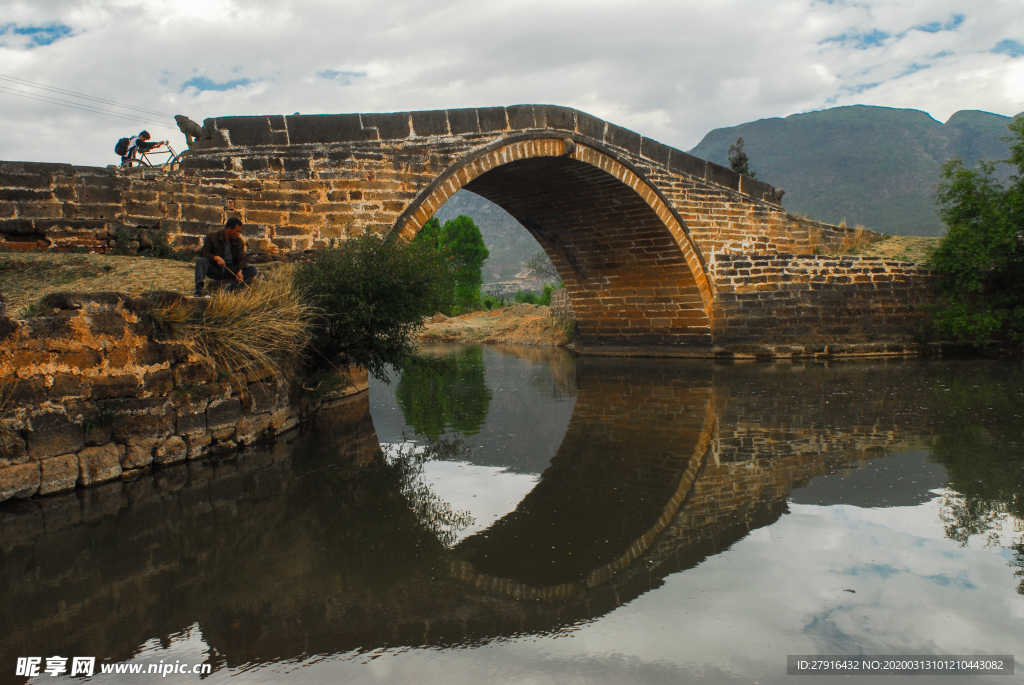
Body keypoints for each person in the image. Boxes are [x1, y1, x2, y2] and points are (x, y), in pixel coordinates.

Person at [194, 217, 258, 297]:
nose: (238, 234)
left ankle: (233, 288)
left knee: (252, 269)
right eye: (236, 231)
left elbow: (242, 259)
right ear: (228, 229)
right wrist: (216, 258)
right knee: (201, 261)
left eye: (239, 232)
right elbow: (203, 253)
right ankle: (198, 290)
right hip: (215, 269)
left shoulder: (239, 242)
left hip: (231, 269)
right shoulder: (213, 236)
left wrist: (240, 271)